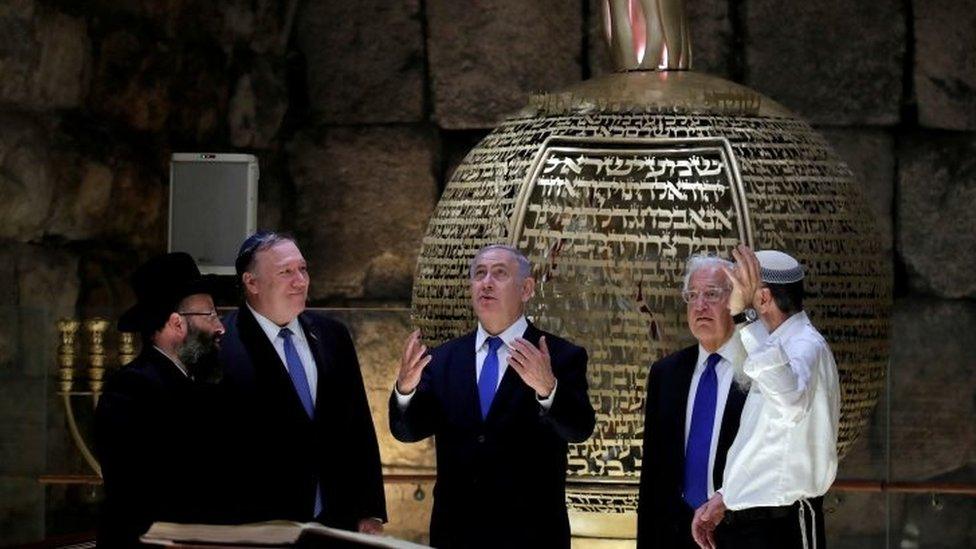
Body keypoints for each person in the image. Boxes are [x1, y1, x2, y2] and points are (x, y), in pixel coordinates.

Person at [389, 244, 596, 548]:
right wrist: (404, 389)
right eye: (479, 274)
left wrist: (548, 388)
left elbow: (579, 429)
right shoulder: (444, 359)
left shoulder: (560, 356)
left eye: (499, 274)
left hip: (532, 534)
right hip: (456, 534)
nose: (486, 283)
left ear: (526, 289)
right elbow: (408, 431)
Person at [219, 232, 386, 533]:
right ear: (251, 283)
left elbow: (358, 424)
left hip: (337, 520)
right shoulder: (222, 345)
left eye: (303, 269)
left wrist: (370, 508)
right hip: (258, 524)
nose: (301, 281)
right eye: (286, 272)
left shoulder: (333, 334)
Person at [691, 245, 840, 549]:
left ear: (762, 298)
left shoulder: (805, 346)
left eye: (733, 290)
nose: (726, 301)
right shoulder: (775, 346)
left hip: (783, 527)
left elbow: (790, 404)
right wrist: (726, 496)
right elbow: (766, 444)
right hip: (749, 525)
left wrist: (746, 318)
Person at [95, 252, 227, 547]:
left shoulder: (204, 386)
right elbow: (141, 493)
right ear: (177, 323)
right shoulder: (131, 390)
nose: (221, 327)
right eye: (210, 315)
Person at [637, 254, 748, 549]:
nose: (700, 306)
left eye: (712, 294)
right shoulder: (667, 373)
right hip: (675, 532)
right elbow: (653, 474)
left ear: (736, 302)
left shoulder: (758, 369)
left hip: (740, 531)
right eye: (692, 296)